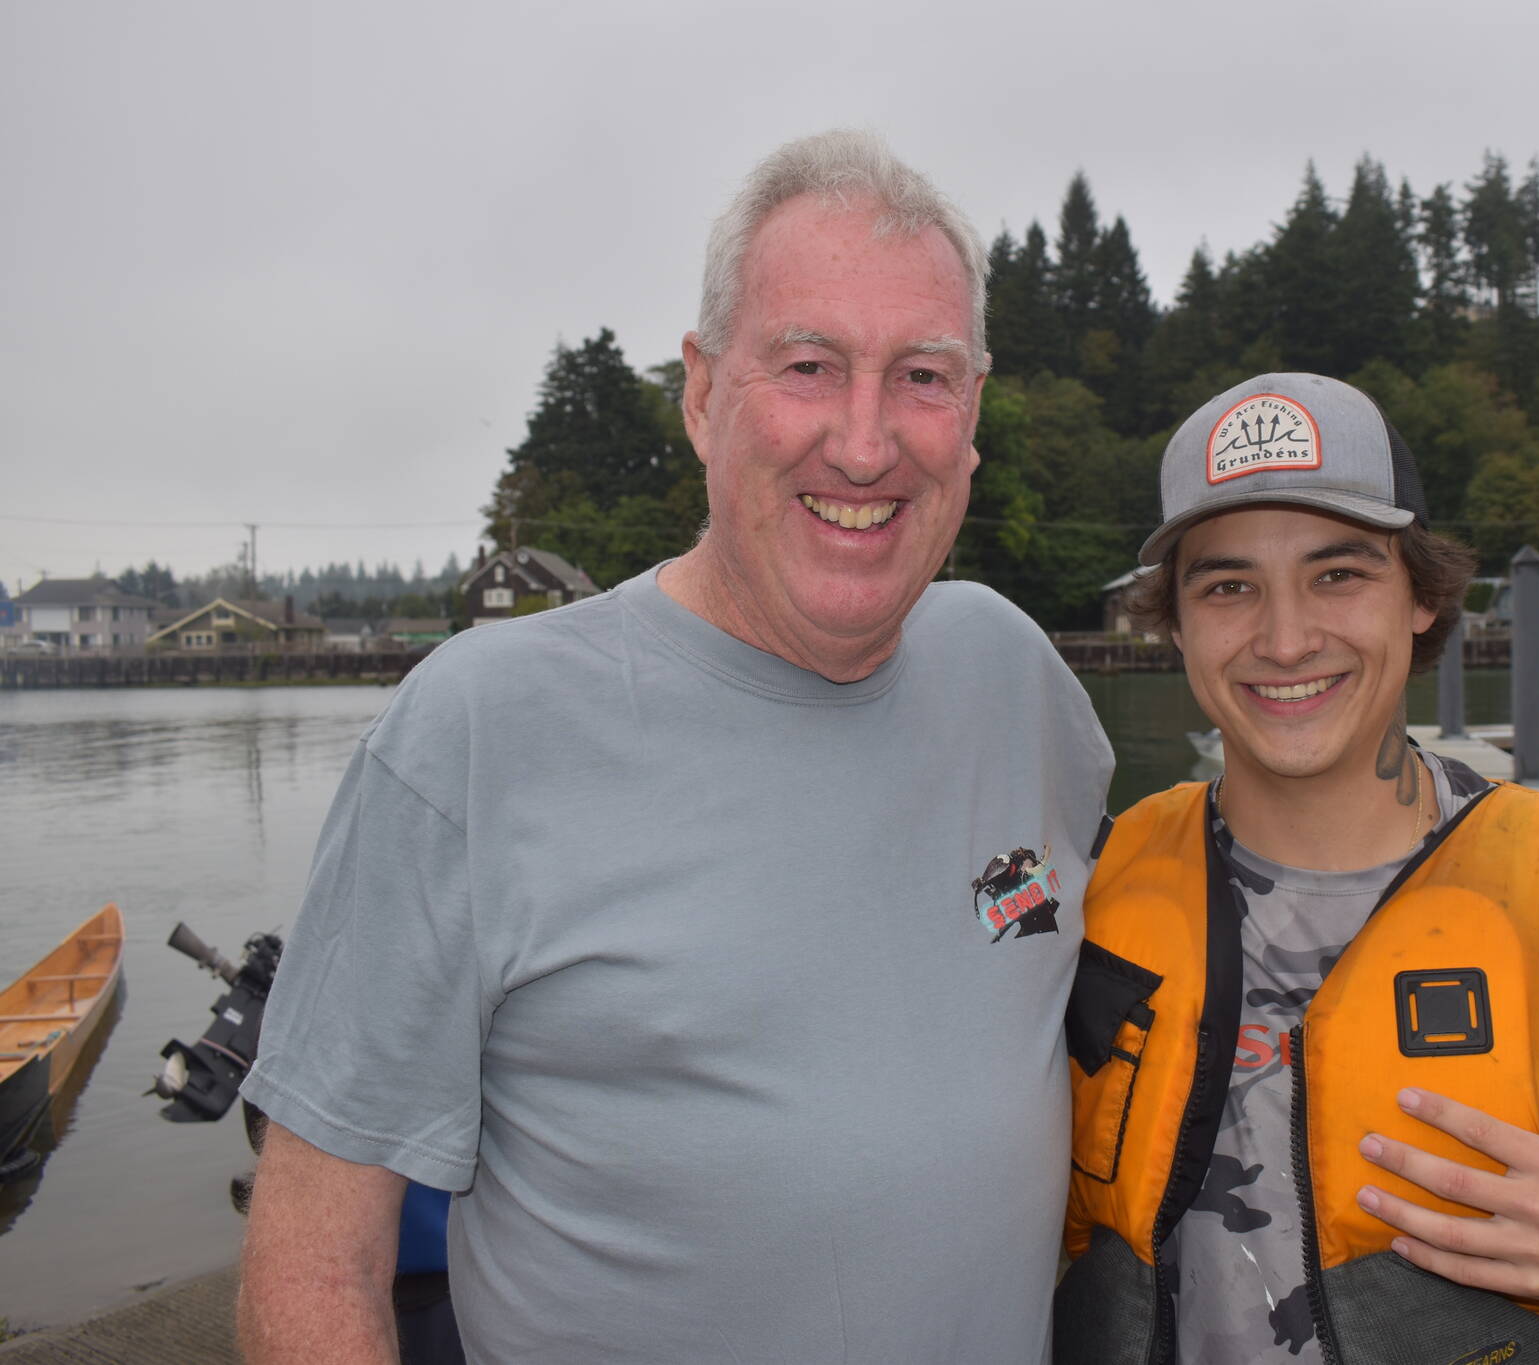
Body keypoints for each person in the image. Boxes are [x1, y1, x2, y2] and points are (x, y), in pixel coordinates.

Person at [236, 130, 1114, 1364]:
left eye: (921, 376)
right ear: (702, 395)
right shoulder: (477, 732)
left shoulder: (1014, 679)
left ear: (969, 416)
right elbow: (315, 1264)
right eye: (807, 366)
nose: (864, 444)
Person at [1056, 373, 1539, 1364]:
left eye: (1339, 574)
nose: (1285, 638)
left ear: (1421, 597)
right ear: (1173, 620)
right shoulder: (1089, 892)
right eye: (1228, 586)